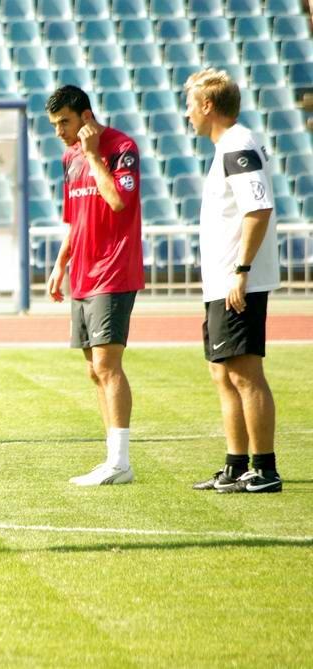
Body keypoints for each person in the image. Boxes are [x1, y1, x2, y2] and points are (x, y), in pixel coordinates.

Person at [184, 68, 282, 493]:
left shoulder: (238, 144)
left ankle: (264, 469)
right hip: (222, 282)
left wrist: (241, 271)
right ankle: (236, 464)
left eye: (191, 104)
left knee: (245, 373)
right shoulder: (227, 146)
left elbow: (258, 208)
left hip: (238, 282)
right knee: (222, 374)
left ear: (208, 105)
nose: (187, 113)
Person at [45, 85, 144, 486]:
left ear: (86, 117)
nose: (59, 132)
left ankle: (121, 462)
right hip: (83, 275)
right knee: (93, 370)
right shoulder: (69, 158)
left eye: (64, 122)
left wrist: (92, 155)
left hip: (114, 270)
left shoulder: (121, 148)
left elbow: (118, 201)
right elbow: (75, 218)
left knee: (107, 365)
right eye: (54, 125)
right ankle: (112, 459)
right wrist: (60, 264)